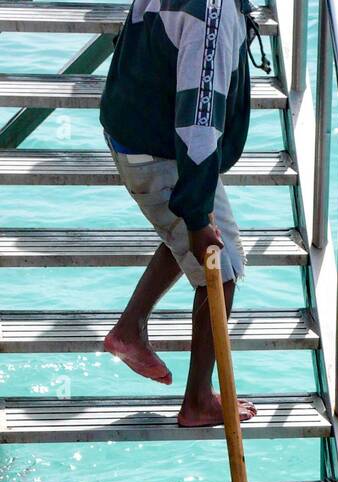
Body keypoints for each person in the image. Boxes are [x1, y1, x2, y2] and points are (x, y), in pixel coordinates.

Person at [99, 0, 264, 426]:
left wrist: (193, 219)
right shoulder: (213, 13)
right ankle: (197, 402)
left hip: (141, 132)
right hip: (160, 151)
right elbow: (198, 121)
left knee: (187, 231)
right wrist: (197, 215)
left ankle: (128, 330)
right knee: (220, 266)